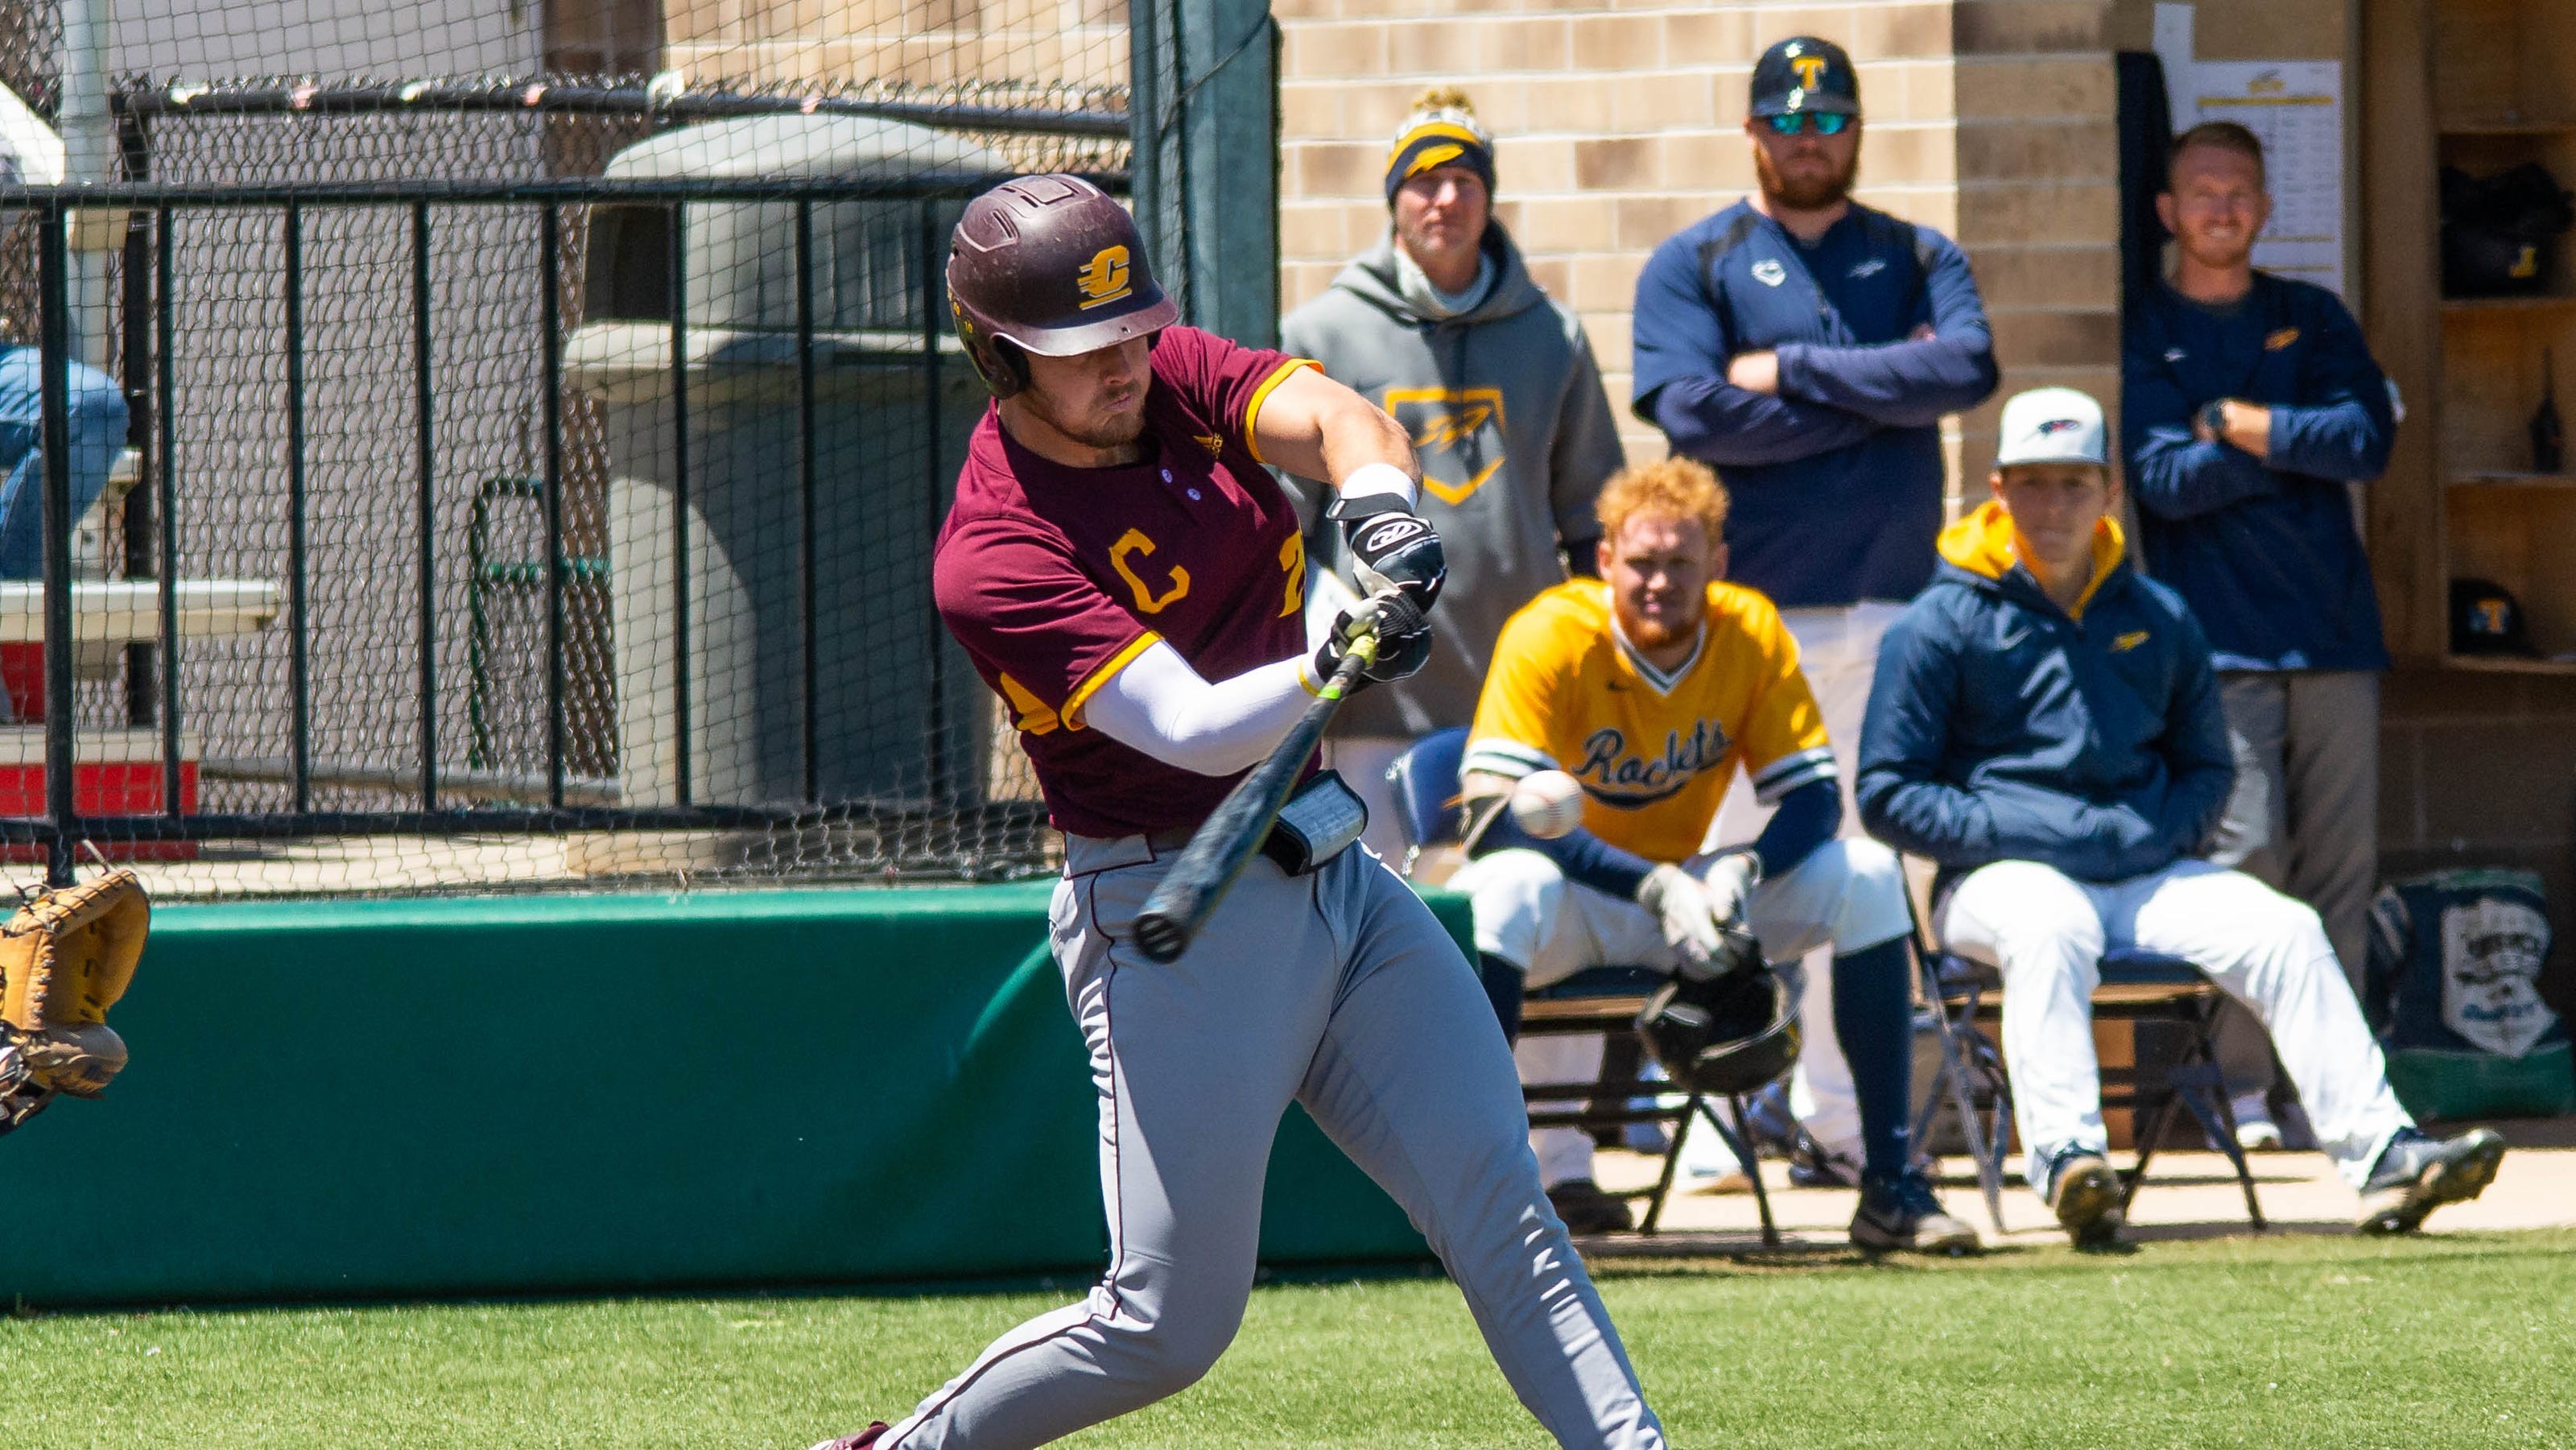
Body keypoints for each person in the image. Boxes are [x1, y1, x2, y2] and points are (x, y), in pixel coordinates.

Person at [810, 176, 1667, 1450]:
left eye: (1135, 332)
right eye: (1083, 351)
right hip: (1175, 908)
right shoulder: (993, 552)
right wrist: (1339, 650)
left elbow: (1334, 416)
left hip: (1335, 869)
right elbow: (1192, 725)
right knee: (1167, 1320)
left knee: (1505, 1205)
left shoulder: (1166, 377)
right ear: (999, 356)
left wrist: (1378, 511)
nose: (1126, 365)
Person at [1857, 386, 2504, 1246]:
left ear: (2108, 492)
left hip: (2143, 866)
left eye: (2074, 483)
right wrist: (2026, 831)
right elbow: (1887, 792)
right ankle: (2070, 1164)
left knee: (2284, 928)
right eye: (2033, 483)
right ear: (1996, 488)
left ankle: (2383, 1156)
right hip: (1994, 879)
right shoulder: (1937, 622)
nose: (2053, 505)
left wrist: (2160, 833)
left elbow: (2207, 767)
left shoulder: (2157, 615)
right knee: (2046, 926)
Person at [1627, 34, 1997, 1181]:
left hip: (1893, 609)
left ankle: (1842, 1122)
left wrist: (1786, 373)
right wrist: (1882, 394)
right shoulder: (1696, 260)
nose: (1807, 139)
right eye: (1787, 123)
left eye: (1828, 120)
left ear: (1857, 130)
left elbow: (1966, 370)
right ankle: (1717, 1117)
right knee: (1726, 854)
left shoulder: (1917, 250)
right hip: (1745, 620)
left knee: (1861, 865)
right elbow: (1692, 415)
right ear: (1753, 132)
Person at [1446, 455, 1976, 1253]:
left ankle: (1888, 1185)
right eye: (1641, 562)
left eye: (1679, 563)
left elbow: (1812, 798)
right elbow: (1492, 819)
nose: (1658, 581)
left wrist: (1739, 868)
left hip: (1692, 898)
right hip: (1581, 898)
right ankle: (1469, 1200)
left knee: (1866, 874)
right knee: (1501, 887)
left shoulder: (1748, 628)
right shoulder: (1550, 630)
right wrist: (1651, 882)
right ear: (1604, 560)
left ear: (1716, 563)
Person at [2122, 121, 2399, 1148]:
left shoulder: (2308, 316)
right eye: (2201, 191)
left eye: (2239, 191)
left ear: (2266, 207)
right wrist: (2293, 441)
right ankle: (2239, 1088)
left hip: (2332, 636)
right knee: (2245, 871)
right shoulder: (2148, 327)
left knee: (2339, 874)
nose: (2221, 209)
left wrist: (2237, 422)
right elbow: (2162, 483)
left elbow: (2365, 441)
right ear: (2167, 211)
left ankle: (2328, 1095)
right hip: (2217, 649)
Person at [1280, 87, 1624, 865]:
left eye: (1465, 181)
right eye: (1423, 181)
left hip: (1518, 700)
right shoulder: (1320, 330)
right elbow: (1284, 521)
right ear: (1394, 199)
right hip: (1373, 699)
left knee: (1510, 912)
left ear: (1489, 198)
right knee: (1375, 921)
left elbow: (1593, 521)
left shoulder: (1552, 335)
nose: (1445, 199)